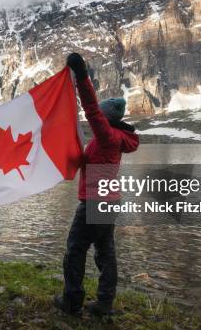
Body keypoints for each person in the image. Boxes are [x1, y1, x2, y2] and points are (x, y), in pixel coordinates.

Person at [54, 52, 140, 316]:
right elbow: (90, 161)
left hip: (95, 203)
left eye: (100, 117)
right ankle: (104, 303)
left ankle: (72, 302)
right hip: (108, 202)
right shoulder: (112, 140)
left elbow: (90, 107)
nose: (96, 119)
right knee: (105, 254)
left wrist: (81, 75)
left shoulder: (106, 136)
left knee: (75, 250)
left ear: (106, 118)